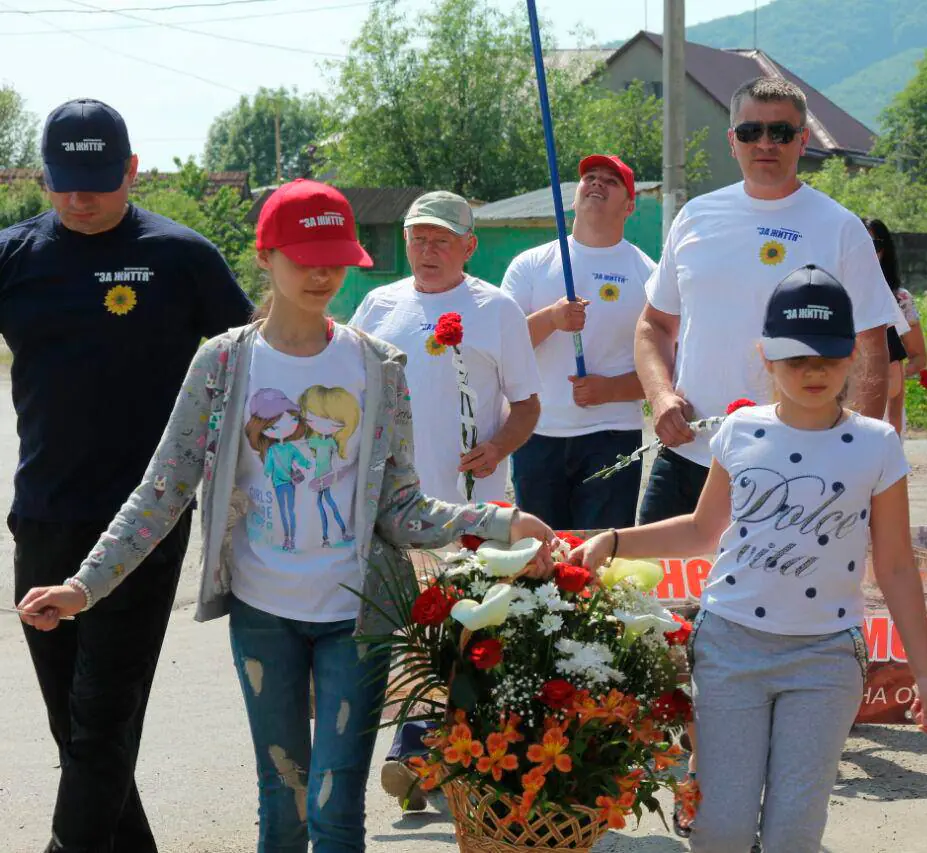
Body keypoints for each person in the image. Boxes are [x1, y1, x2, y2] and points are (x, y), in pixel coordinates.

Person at [17, 178, 558, 852]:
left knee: (335, 811)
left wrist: (501, 522)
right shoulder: (222, 364)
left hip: (357, 618)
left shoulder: (377, 366)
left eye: (336, 258)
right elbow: (162, 489)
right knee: (285, 801)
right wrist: (85, 586)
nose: (323, 274)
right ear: (265, 256)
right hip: (262, 617)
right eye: (305, 258)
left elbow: (402, 508)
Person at [571, 264, 927, 853]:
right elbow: (702, 529)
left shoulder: (878, 444)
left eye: (827, 357)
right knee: (721, 830)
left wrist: (926, 671)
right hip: (729, 648)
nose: (813, 371)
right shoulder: (740, 430)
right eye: (795, 358)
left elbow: (896, 565)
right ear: (766, 356)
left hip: (825, 659)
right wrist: (614, 541)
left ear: (851, 355)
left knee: (793, 834)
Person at [0, 98, 253, 853]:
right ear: (42, 176)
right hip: (44, 516)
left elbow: (256, 364)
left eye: (99, 182)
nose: (81, 198)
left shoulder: (181, 257)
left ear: (133, 170)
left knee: (102, 720)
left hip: (147, 520)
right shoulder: (13, 256)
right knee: (75, 727)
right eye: (65, 183)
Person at [635, 76, 905, 527]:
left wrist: (849, 450)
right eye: (750, 131)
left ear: (803, 140)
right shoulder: (694, 217)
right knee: (648, 573)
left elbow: (871, 347)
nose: (764, 143)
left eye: (780, 132)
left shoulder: (840, 227)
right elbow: (654, 326)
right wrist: (661, 397)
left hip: (799, 464)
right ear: (732, 141)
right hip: (689, 454)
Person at [350, 191, 541, 504]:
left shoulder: (498, 310)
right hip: (388, 498)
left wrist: (496, 449)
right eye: (419, 239)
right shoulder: (377, 304)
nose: (428, 251)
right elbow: (348, 384)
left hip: (465, 502)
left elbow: (527, 405)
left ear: (470, 246)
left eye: (442, 240)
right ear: (405, 240)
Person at [502, 155, 655, 529]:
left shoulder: (648, 275)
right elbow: (502, 349)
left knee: (601, 551)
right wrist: (551, 320)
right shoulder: (531, 264)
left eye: (611, 181)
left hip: (613, 435)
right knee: (539, 552)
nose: (597, 183)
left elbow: (667, 365)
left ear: (630, 206)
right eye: (590, 177)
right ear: (574, 196)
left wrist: (611, 389)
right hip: (537, 432)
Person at [865, 218, 927, 434]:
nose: (866, 252)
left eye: (873, 245)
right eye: (860, 244)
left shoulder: (900, 299)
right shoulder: (833, 293)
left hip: (887, 409)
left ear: (885, 250)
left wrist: (887, 376)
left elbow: (918, 357)